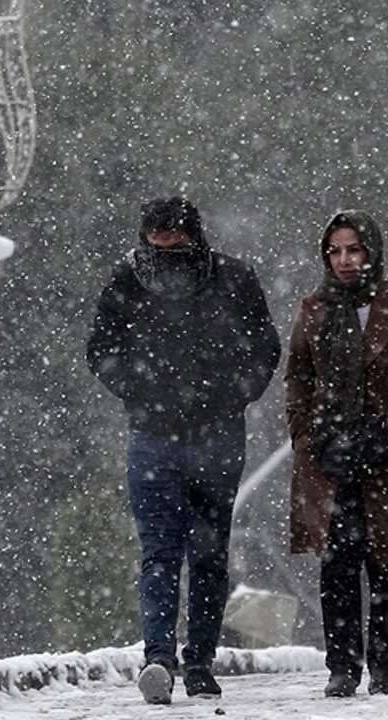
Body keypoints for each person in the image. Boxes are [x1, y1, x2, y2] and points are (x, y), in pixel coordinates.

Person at [86, 196, 281, 704]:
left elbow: (264, 348)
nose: (168, 255)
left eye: (177, 244)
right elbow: (102, 350)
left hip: (211, 437)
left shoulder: (234, 280)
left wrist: (228, 394)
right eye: (159, 245)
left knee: (204, 556)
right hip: (157, 437)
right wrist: (143, 391)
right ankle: (162, 659)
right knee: (165, 554)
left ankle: (194, 660)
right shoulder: (128, 281)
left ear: (194, 238)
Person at [284, 210, 388, 697]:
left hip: (386, 455)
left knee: (387, 563)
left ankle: (384, 669)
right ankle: (342, 668)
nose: (345, 260)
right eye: (335, 250)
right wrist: (305, 433)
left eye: (353, 249)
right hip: (328, 456)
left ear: (370, 250)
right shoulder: (314, 307)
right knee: (336, 563)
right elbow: (298, 378)